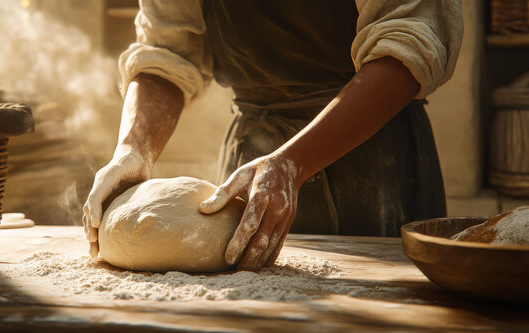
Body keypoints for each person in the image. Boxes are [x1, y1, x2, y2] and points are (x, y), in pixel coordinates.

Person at [83, 1, 463, 271]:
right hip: (252, 160)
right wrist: (133, 150)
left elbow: (409, 46)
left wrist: (292, 163)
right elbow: (165, 51)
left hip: (372, 156)